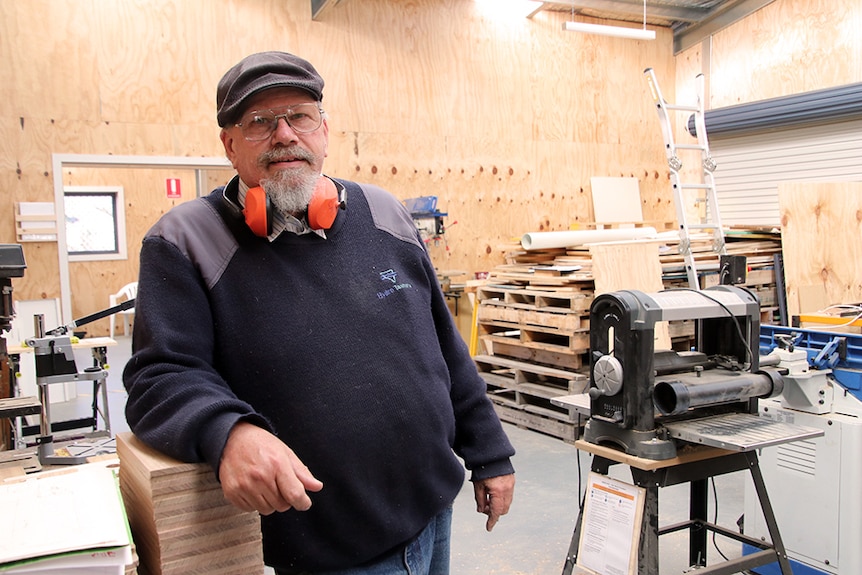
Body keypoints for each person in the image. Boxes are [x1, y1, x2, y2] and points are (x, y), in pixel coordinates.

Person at [122, 51, 516, 575]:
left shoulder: (386, 214)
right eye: (259, 122)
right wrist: (229, 432)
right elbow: (160, 378)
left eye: (300, 116)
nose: (284, 133)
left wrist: (489, 452)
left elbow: (444, 349)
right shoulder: (186, 240)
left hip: (431, 514)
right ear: (230, 145)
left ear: (323, 131)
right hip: (324, 548)